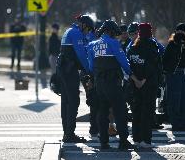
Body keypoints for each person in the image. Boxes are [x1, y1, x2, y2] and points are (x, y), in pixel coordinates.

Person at [88, 20, 137, 150]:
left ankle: (103, 142)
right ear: (110, 32)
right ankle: (123, 141)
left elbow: (91, 67)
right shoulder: (113, 43)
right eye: (115, 33)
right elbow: (124, 62)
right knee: (120, 111)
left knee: (102, 112)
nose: (116, 36)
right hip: (113, 83)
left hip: (99, 84)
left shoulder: (92, 45)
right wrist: (132, 75)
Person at [58, 15, 94, 143]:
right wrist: (90, 70)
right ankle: (70, 134)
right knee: (73, 101)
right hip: (69, 71)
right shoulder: (76, 33)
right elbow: (81, 55)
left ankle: (67, 133)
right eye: (88, 29)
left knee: (66, 102)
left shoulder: (70, 30)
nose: (88, 32)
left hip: (63, 69)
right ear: (84, 25)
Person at [127, 23, 160, 148]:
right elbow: (152, 66)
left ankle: (136, 139)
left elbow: (129, 66)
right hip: (148, 85)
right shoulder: (152, 46)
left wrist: (136, 80)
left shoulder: (132, 47)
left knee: (136, 112)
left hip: (135, 85)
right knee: (147, 113)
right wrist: (143, 80)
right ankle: (146, 140)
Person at [163, 23, 185, 131]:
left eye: (182, 31)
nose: (180, 33)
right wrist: (168, 72)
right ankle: (176, 123)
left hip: (183, 74)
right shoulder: (172, 45)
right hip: (173, 74)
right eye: (178, 31)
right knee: (174, 99)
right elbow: (165, 60)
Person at [48, 23, 61, 93]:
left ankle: (55, 84)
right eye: (53, 28)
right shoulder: (52, 37)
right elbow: (51, 48)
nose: (54, 30)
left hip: (57, 56)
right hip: (53, 56)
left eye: (55, 29)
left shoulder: (57, 37)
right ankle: (52, 84)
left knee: (56, 71)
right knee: (53, 71)